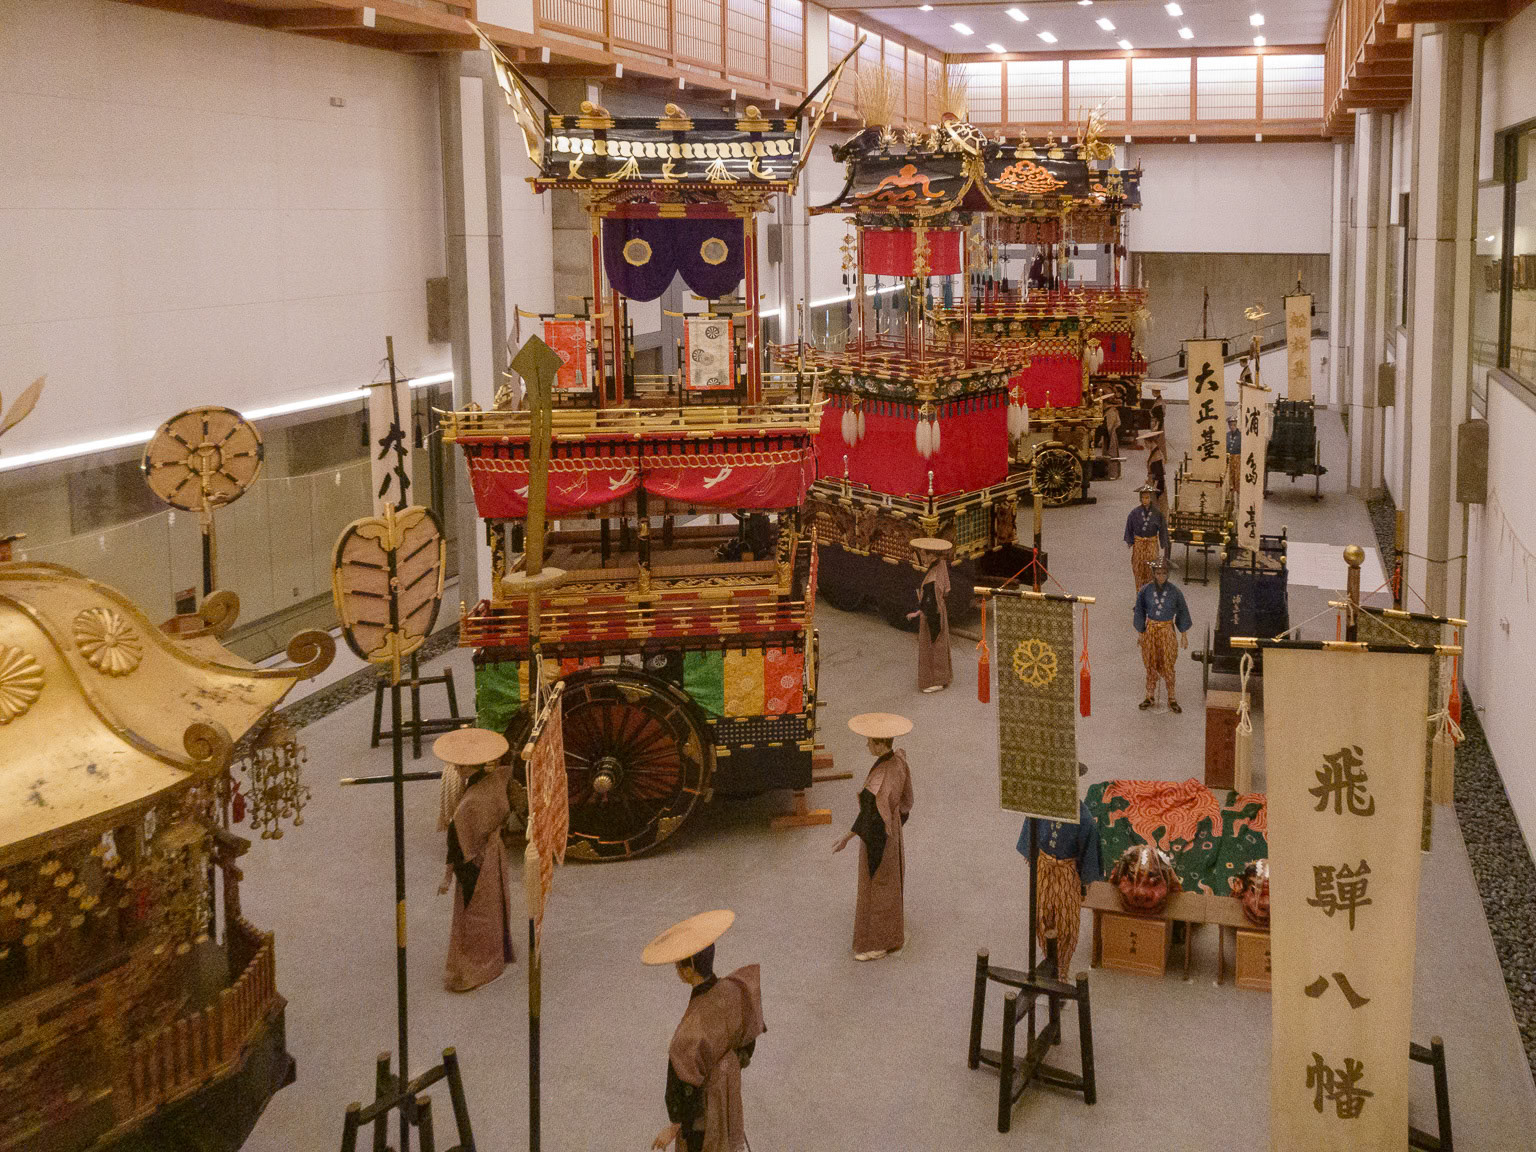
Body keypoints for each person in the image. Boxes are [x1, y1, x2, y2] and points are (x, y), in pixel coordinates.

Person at [643, 910, 765, 1152]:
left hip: (704, 1117)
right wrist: (731, 1066)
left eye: (679, 964)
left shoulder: (690, 1031)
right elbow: (749, 1040)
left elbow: (683, 1091)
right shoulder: (735, 989)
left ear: (688, 968)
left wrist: (674, 1127)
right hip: (729, 1095)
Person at [435, 727, 515, 992]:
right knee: (492, 904)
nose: (456, 770)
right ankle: (495, 954)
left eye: (459, 767)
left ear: (467, 768)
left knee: (474, 911)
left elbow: (456, 841)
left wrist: (449, 873)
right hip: (493, 854)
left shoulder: (470, 802)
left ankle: (474, 965)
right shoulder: (495, 782)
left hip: (473, 860)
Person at [834, 713, 915, 961]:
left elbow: (871, 815)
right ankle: (890, 933)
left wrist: (848, 836)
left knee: (877, 884)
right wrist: (897, 820)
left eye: (870, 741)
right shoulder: (899, 760)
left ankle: (879, 942)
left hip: (879, 835)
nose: (867, 745)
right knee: (889, 883)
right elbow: (906, 801)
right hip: (893, 831)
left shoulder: (881, 779)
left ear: (881, 744)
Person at [1016, 763, 1102, 979]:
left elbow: (1088, 853)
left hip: (1066, 873)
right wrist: (1032, 855)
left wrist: (1084, 880)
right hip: (1044, 868)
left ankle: (1061, 970)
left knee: (1067, 925)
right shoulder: (1043, 805)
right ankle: (1049, 962)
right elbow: (1031, 828)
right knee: (1042, 918)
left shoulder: (1085, 819)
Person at [1133, 558, 1193, 713]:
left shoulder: (1175, 592)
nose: (1161, 576)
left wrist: (1183, 635)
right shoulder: (1145, 590)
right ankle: (1149, 695)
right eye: (1158, 573)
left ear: (1168, 574)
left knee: (1168, 662)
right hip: (1151, 630)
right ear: (1153, 573)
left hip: (1167, 630)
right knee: (1150, 662)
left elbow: (1182, 612)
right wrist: (1141, 633)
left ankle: (1172, 697)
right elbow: (1139, 611)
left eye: (1164, 573)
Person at [908, 538, 952, 693]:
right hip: (941, 609)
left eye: (923, 554)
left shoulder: (931, 580)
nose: (922, 557)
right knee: (940, 643)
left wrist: (917, 613)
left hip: (933, 613)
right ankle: (943, 677)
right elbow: (946, 589)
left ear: (931, 555)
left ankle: (936, 680)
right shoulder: (942, 565)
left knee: (932, 645)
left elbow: (929, 603)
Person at [1123, 484, 1169, 593]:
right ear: (1140, 499)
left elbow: (1163, 529)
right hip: (1139, 544)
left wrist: (1164, 543)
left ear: (1150, 498)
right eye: (1143, 498)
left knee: (1151, 570)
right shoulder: (1134, 513)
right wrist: (1130, 541)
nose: (1145, 500)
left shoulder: (1157, 514)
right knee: (1138, 570)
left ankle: (1150, 596)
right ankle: (1139, 597)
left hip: (1151, 544)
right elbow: (1129, 527)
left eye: (1147, 497)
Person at [1226, 414, 1241, 495]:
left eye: (1234, 425)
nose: (1232, 427)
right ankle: (1230, 492)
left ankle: (1238, 492)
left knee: (1237, 476)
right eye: (1230, 425)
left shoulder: (1241, 435)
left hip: (1237, 458)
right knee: (1229, 475)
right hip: (1228, 458)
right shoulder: (1227, 435)